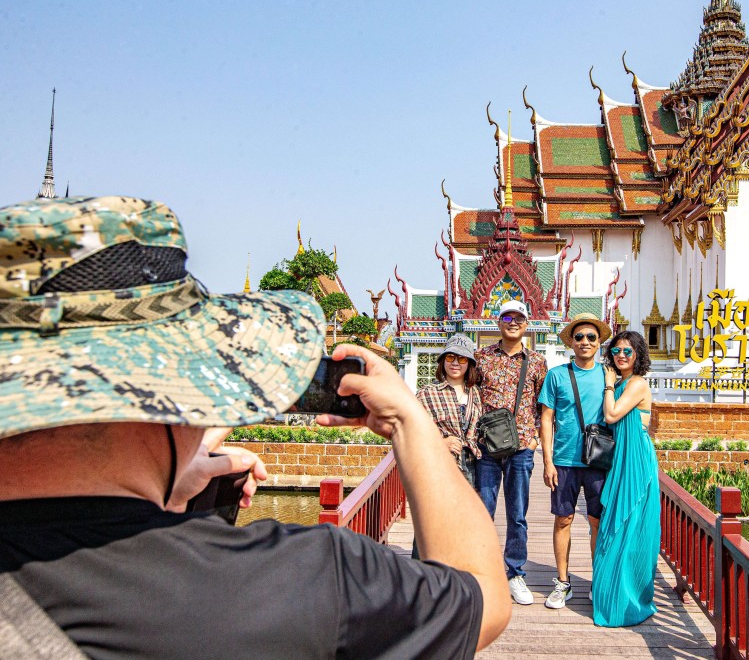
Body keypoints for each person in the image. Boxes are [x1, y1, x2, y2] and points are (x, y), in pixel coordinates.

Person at [0, 196, 510, 659]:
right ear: (178, 394)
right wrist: (408, 418)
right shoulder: (303, 582)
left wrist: (167, 493)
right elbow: (482, 597)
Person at [474, 299, 548, 605]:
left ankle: (515, 573)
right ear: (498, 322)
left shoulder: (537, 361)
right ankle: (482, 572)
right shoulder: (481, 358)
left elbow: (543, 405)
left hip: (521, 449)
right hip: (488, 448)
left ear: (526, 324)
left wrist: (535, 441)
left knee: (517, 515)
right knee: (483, 512)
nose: (513, 322)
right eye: (507, 317)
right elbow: (472, 397)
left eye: (518, 318)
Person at [537, 312, 612, 609]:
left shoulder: (609, 376)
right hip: (565, 459)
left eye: (591, 337)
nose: (585, 342)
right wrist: (547, 461)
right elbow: (546, 419)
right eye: (579, 337)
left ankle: (598, 581)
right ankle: (563, 582)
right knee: (563, 519)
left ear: (599, 342)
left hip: (598, 461)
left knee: (597, 521)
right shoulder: (557, 375)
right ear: (571, 342)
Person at [591, 330, 660, 627]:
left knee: (631, 526)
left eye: (627, 351)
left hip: (636, 460)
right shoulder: (622, 382)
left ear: (638, 355)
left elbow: (612, 415)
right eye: (616, 351)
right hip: (621, 458)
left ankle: (630, 600)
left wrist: (608, 385)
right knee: (614, 524)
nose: (621, 355)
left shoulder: (637, 383)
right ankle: (611, 593)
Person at [416, 334, 483, 488]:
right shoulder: (427, 393)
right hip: (441, 464)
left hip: (475, 467)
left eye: (462, 359)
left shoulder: (477, 394)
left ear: (469, 363)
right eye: (450, 357)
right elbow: (411, 431)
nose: (455, 363)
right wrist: (441, 442)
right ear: (443, 360)